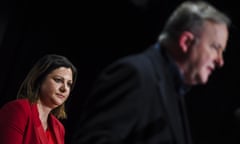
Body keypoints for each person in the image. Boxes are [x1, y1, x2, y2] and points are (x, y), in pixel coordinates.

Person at [71, 1, 231, 144]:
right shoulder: (136, 75)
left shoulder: (175, 88)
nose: (220, 61)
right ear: (186, 42)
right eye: (215, 48)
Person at [0, 54, 77, 144]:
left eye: (69, 84)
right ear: (40, 79)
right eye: (58, 80)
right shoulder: (18, 110)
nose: (64, 89)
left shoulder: (59, 128)